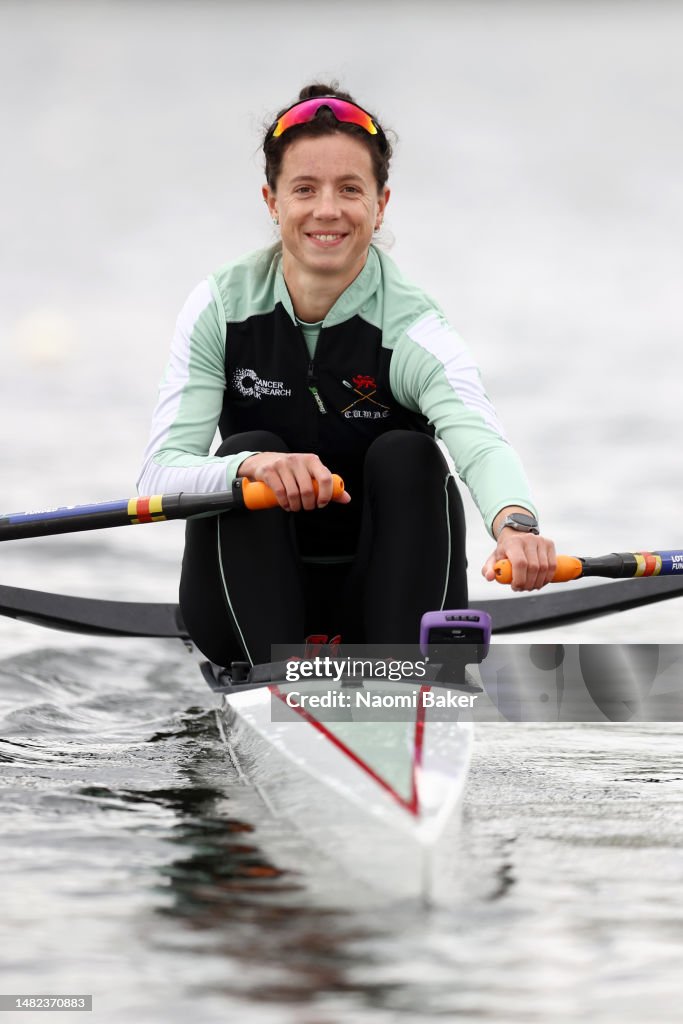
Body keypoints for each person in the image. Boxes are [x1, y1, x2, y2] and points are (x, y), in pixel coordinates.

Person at [137, 84, 557, 667]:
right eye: (305, 189)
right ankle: (275, 674)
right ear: (272, 201)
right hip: (244, 610)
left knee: (410, 455)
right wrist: (252, 467)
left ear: (380, 204)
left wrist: (516, 526)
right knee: (248, 446)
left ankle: (403, 676)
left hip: (388, 608)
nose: (327, 210)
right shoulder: (218, 308)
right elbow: (159, 476)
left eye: (350, 190)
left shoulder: (416, 329)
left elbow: (480, 442)